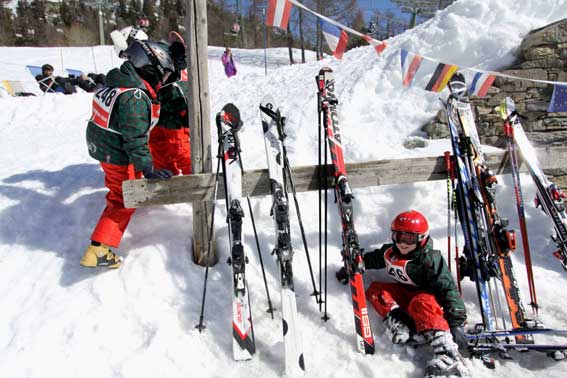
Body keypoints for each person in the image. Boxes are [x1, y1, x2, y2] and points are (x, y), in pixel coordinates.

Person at [336, 210, 470, 378]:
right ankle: (402, 324)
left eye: (410, 238)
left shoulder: (429, 259)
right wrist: (352, 266)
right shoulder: (390, 253)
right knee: (376, 290)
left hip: (429, 302)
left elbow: (448, 289)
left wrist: (456, 322)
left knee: (420, 302)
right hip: (406, 297)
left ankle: (447, 353)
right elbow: (370, 259)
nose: (403, 243)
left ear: (421, 238)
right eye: (399, 237)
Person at [80, 40, 175, 269]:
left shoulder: (119, 81)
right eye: (163, 76)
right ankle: (98, 249)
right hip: (115, 151)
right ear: (152, 68)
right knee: (124, 197)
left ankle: (101, 244)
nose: (163, 82)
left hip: (106, 146)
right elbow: (134, 137)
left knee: (123, 190)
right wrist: (148, 168)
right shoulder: (135, 96)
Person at [148, 31, 192, 175]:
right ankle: (166, 187)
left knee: (181, 151)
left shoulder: (173, 60)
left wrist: (177, 61)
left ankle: (195, 188)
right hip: (155, 111)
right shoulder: (139, 58)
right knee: (159, 150)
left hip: (174, 111)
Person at [35, 64, 105, 94]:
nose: (51, 72)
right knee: (78, 80)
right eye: (49, 71)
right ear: (44, 71)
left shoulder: (52, 77)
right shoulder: (40, 77)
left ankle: (98, 82)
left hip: (63, 82)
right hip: (58, 85)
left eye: (51, 71)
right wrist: (52, 78)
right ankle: (91, 89)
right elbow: (39, 79)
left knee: (90, 75)